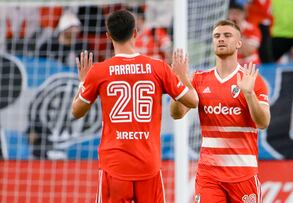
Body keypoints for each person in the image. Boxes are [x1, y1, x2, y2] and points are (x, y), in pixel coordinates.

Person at [71, 10, 198, 203]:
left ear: (108, 36)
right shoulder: (158, 68)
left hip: (114, 166)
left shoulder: (99, 71)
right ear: (135, 33)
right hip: (148, 164)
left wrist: (83, 82)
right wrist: (181, 77)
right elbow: (192, 101)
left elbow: (76, 111)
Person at [170, 20, 270, 202]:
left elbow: (263, 122)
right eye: (217, 36)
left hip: (243, 174)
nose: (221, 39)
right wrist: (180, 84)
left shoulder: (252, 80)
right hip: (209, 175)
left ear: (239, 42)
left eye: (227, 35)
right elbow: (177, 113)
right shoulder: (199, 79)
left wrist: (249, 94)